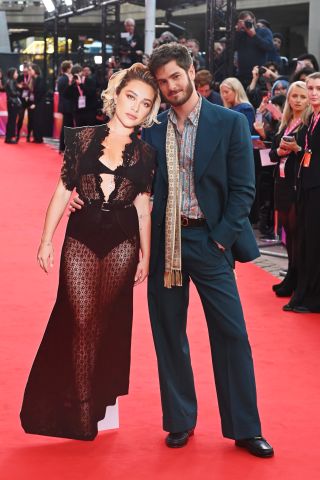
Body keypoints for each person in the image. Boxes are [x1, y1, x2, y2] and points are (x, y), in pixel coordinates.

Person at [69, 44, 274, 457]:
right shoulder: (154, 129)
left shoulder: (230, 123)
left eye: (175, 77)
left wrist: (221, 239)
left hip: (211, 242)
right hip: (165, 244)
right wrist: (83, 196)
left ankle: (245, 427)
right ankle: (180, 420)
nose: (169, 86)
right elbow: (124, 175)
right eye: (162, 82)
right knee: (169, 335)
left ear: (192, 72)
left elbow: (244, 191)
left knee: (232, 334)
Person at [20, 63, 161, 441]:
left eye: (144, 103)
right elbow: (64, 190)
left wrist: (146, 256)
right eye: (130, 97)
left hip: (123, 242)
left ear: (150, 111)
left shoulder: (147, 155)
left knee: (102, 321)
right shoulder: (81, 138)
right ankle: (82, 408)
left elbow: (143, 209)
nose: (135, 107)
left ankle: (93, 400)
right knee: (80, 320)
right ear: (116, 96)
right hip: (80, 238)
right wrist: (46, 239)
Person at [269, 81, 310, 297]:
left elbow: (307, 154)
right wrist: (280, 150)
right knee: (287, 232)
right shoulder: (286, 122)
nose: (298, 100)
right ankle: (291, 275)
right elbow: (273, 155)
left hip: (297, 183)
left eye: (302, 97)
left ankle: (296, 277)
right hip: (281, 182)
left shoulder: (309, 123)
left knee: (296, 234)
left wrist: (295, 149)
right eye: (294, 96)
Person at [283, 72, 320, 313]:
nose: (314, 93)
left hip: (317, 188)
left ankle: (313, 298)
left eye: (318, 88)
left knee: (314, 244)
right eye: (311, 88)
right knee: (307, 243)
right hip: (307, 187)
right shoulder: (312, 118)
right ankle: (306, 294)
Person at [235, 11, 274, 88]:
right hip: (242, 75)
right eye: (243, 22)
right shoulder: (240, 34)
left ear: (254, 20)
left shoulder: (264, 31)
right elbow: (231, 48)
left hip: (259, 74)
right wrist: (237, 31)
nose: (246, 24)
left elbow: (269, 47)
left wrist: (254, 35)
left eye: (248, 21)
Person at [57, 60, 74, 153]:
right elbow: (64, 92)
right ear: (68, 68)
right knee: (67, 126)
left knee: (68, 126)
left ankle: (64, 147)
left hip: (68, 106)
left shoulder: (64, 78)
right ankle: (63, 147)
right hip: (66, 106)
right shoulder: (63, 79)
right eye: (71, 67)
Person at [29, 63, 46, 143]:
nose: (29, 71)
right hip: (35, 102)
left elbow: (40, 92)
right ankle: (36, 137)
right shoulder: (33, 79)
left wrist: (35, 103)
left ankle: (39, 138)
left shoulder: (40, 79)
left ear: (35, 70)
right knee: (35, 120)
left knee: (38, 120)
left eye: (30, 70)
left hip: (39, 103)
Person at [17, 61, 33, 143]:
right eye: (24, 70)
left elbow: (34, 88)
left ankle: (28, 136)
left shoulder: (32, 78)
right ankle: (17, 135)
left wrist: (28, 86)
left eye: (27, 70)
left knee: (30, 118)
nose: (25, 72)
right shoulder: (20, 76)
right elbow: (17, 86)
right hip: (22, 100)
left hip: (30, 99)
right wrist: (21, 86)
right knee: (20, 117)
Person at [4, 67, 21, 144]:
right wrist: (18, 92)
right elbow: (12, 93)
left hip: (11, 103)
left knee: (11, 120)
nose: (17, 74)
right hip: (12, 103)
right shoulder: (11, 81)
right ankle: (9, 138)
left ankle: (9, 137)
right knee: (12, 120)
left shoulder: (10, 81)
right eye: (16, 73)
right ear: (12, 74)